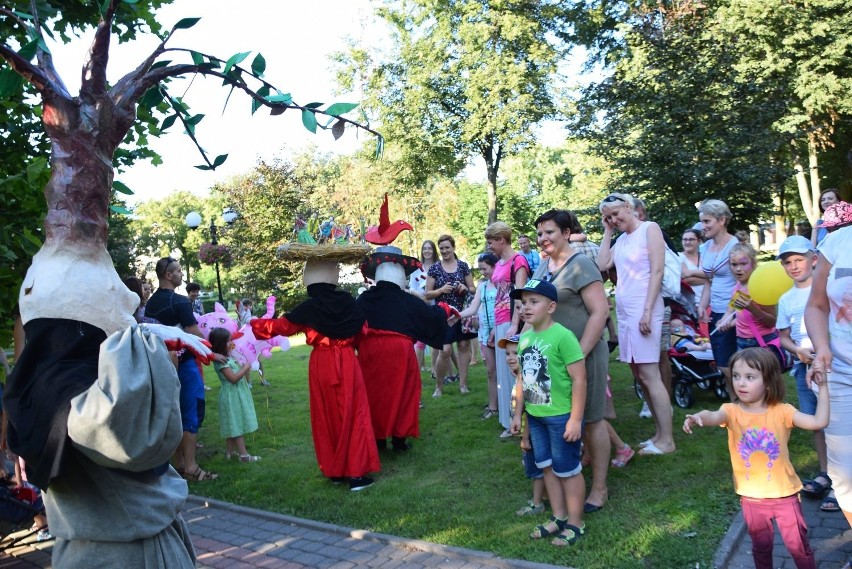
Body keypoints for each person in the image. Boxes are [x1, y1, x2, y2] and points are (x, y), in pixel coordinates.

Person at [683, 348, 829, 569]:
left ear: (768, 382)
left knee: (799, 548)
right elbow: (713, 416)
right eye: (736, 376)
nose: (740, 383)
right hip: (751, 498)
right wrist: (698, 417)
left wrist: (824, 387)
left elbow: (819, 422)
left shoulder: (783, 411)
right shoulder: (731, 411)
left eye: (750, 377)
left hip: (785, 496)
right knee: (761, 549)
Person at [251, 259, 380, 491]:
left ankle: (336, 470)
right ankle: (356, 474)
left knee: (326, 415)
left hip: (321, 363)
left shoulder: (309, 308)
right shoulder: (349, 303)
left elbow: (281, 327)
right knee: (353, 413)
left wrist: (253, 325)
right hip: (347, 360)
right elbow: (363, 329)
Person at [533, 209, 613, 511]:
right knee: (559, 418)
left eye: (550, 232)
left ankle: (600, 488)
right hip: (549, 359)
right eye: (540, 233)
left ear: (567, 233)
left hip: (584, 356)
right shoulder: (542, 267)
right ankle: (568, 475)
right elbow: (534, 310)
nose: (543, 239)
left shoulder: (581, 265)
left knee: (591, 420)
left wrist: (578, 354)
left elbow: (600, 312)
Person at [508, 279, 587, 547]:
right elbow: (522, 380)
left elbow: (579, 380)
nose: (526, 308)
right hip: (536, 416)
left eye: (534, 302)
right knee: (547, 469)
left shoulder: (563, 336)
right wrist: (518, 414)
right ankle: (559, 516)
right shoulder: (526, 338)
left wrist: (575, 418)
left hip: (561, 416)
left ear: (551, 306)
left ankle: (576, 522)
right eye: (523, 303)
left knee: (568, 470)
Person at [597, 194, 675, 455]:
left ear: (629, 207)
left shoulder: (649, 229)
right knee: (640, 375)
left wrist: (647, 311)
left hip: (646, 308)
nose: (613, 219)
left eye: (616, 214)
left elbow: (657, 271)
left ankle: (667, 440)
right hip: (626, 311)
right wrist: (607, 231)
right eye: (608, 217)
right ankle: (658, 434)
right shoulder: (621, 240)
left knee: (651, 375)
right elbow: (602, 264)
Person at [357, 246, 453, 452]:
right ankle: (399, 439)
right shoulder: (406, 299)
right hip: (399, 351)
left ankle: (378, 439)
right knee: (404, 393)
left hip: (369, 352)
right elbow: (430, 317)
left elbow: (353, 324)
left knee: (374, 395)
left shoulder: (364, 299)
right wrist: (445, 309)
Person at [775, 236, 837, 512]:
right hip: (804, 367)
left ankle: (842, 482)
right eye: (788, 262)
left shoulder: (828, 289)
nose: (794, 266)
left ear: (813, 259)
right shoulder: (786, 299)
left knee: (838, 423)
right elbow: (783, 336)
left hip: (832, 364)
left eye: (798, 260)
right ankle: (826, 472)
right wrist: (797, 351)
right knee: (817, 423)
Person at [144, 257, 218, 482]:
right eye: (177, 271)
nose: (181, 274)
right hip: (184, 364)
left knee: (171, 413)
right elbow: (194, 334)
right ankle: (192, 467)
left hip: (159, 365)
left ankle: (180, 464)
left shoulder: (151, 303)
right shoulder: (179, 301)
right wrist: (216, 352)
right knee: (191, 412)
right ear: (168, 275)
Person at [805, 201, 852, 531]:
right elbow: (817, 305)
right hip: (842, 374)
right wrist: (822, 347)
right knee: (844, 475)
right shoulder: (837, 242)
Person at [485, 222, 530, 440]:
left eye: (491, 241)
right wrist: (495, 327)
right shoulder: (501, 261)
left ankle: (521, 421)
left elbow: (520, 294)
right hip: (500, 321)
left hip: (514, 322)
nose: (489, 246)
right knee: (504, 374)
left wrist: (514, 323)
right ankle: (508, 420)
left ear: (502, 239)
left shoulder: (518, 261)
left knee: (515, 373)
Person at [500, 334, 546, 517]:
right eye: (507, 353)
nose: (510, 357)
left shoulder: (528, 379)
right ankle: (544, 496)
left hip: (533, 433)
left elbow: (531, 412)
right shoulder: (520, 375)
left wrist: (526, 437)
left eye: (515, 353)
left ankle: (537, 503)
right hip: (530, 433)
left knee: (536, 469)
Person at [425, 235, 476, 397]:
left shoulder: (462, 266)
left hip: (462, 313)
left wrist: (465, 288)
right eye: (441, 248)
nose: (444, 251)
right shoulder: (434, 268)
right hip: (444, 314)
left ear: (453, 248)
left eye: (447, 247)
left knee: (463, 346)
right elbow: (427, 294)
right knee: (445, 350)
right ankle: (438, 387)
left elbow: (473, 289)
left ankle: (463, 384)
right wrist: (441, 290)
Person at [697, 199, 739, 381]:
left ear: (722, 220)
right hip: (716, 311)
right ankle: (735, 405)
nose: (703, 226)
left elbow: (744, 285)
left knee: (731, 365)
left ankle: (742, 404)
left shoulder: (734, 247)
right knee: (723, 364)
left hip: (733, 314)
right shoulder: (705, 247)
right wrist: (702, 305)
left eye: (707, 221)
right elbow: (709, 279)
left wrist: (730, 314)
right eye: (702, 221)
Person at [715, 243, 777, 355]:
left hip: (762, 342)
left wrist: (752, 308)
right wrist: (725, 322)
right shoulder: (738, 285)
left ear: (753, 263)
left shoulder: (761, 287)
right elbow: (736, 312)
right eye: (734, 264)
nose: (738, 269)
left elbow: (772, 322)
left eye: (743, 264)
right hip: (742, 342)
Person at [208, 327, 260, 462]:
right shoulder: (222, 362)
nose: (231, 343)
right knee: (237, 425)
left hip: (236, 394)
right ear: (220, 344)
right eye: (228, 341)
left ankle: (229, 454)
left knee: (233, 423)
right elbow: (233, 378)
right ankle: (244, 455)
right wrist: (246, 367)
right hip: (231, 396)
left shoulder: (227, 358)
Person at [458, 252, 499, 419]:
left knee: (506, 371)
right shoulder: (482, 286)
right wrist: (457, 315)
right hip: (485, 333)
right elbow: (473, 308)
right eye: (480, 269)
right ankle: (493, 406)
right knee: (490, 372)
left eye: (485, 269)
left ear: (495, 266)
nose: (482, 272)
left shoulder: (504, 284)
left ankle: (510, 406)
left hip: (501, 332)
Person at [409, 240, 438, 373]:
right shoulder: (417, 268)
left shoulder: (438, 266)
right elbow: (411, 288)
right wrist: (422, 298)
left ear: (434, 251)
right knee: (420, 341)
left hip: (436, 305)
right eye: (425, 248)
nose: (427, 251)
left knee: (436, 338)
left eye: (429, 248)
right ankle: (417, 371)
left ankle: (434, 369)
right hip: (421, 305)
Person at [679, 228, 708, 315]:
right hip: (689, 305)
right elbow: (685, 279)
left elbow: (715, 274)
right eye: (685, 239)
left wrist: (690, 273)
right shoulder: (678, 257)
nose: (687, 242)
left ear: (699, 241)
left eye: (691, 239)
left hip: (710, 302)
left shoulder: (706, 256)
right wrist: (709, 280)